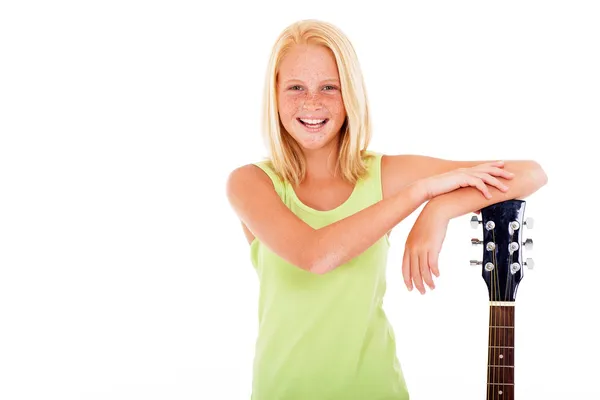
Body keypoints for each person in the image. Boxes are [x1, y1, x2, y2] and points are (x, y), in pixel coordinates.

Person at [226, 19, 547, 400]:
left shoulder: (380, 175)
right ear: (275, 94)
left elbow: (529, 173)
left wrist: (439, 209)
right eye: (296, 87)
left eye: (330, 87)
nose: (312, 102)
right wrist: (421, 193)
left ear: (351, 95)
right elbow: (314, 255)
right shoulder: (251, 183)